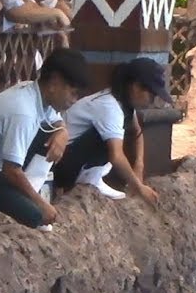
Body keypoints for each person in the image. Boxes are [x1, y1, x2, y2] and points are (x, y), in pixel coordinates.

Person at [0, 48, 89, 228]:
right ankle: (29, 200)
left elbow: (54, 120)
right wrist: (41, 204)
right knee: (33, 216)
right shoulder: (24, 111)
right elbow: (11, 170)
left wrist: (63, 132)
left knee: (50, 132)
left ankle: (28, 193)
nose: (74, 100)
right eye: (73, 93)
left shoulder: (36, 93)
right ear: (54, 83)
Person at [53, 58, 172, 207]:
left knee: (117, 132)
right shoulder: (109, 107)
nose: (152, 101)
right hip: (60, 162)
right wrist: (139, 187)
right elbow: (116, 156)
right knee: (108, 138)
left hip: (73, 157)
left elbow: (137, 132)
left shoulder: (124, 104)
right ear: (135, 87)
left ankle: (93, 177)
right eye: (152, 94)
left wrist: (139, 166)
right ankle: (86, 179)